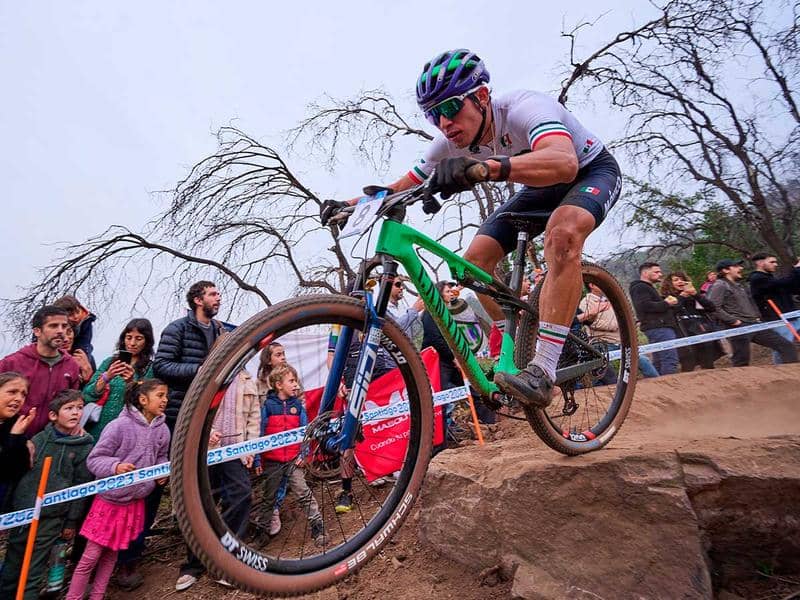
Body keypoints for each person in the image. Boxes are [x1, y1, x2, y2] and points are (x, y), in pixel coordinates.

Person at [321, 49, 622, 409]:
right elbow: (400, 186)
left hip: (590, 171)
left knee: (562, 235)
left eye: (449, 108)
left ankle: (543, 367)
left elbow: (564, 162)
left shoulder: (524, 107)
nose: (443, 122)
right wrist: (350, 206)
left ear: (481, 97)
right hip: (539, 187)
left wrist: (486, 168)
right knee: (471, 266)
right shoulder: (446, 143)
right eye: (433, 115)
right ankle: (513, 349)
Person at [65, 379, 170, 600]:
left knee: (112, 556)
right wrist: (115, 467)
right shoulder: (118, 426)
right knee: (90, 556)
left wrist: (161, 472)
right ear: (143, 400)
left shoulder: (163, 429)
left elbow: (161, 456)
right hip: (109, 502)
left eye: (166, 396)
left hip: (134, 503)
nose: (165, 400)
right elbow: (95, 460)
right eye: (160, 395)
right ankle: (72, 597)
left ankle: (97, 596)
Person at [0, 390, 94, 600]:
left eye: (79, 408)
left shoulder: (85, 446)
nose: (75, 413)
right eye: (69, 408)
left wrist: (71, 521)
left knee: (33, 571)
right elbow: (18, 474)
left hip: (51, 517)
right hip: (22, 513)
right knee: (11, 567)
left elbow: (81, 486)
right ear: (53, 415)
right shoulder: (39, 439)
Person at [260, 364, 327, 546]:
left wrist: (303, 454)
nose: (296, 384)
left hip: (292, 459)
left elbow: (305, 432)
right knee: (269, 496)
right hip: (272, 461)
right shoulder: (267, 406)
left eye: (296, 380)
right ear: (278, 384)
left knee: (303, 491)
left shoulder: (298, 406)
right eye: (291, 381)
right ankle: (263, 532)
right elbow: (260, 433)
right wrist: (259, 458)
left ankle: (317, 526)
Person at [153, 281, 223, 431]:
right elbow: (160, 365)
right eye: (212, 294)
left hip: (203, 409)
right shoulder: (177, 329)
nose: (218, 298)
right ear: (198, 300)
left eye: (218, 294)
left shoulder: (219, 331)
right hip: (176, 411)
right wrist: (197, 370)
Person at [0, 306, 81, 436]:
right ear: (37, 331)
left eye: (64, 326)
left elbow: (73, 402)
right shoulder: (12, 362)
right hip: (11, 437)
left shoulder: (72, 366)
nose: (60, 331)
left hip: (50, 440)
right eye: (53, 326)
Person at [706, 259, 797, 366]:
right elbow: (712, 307)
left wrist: (757, 316)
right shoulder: (719, 285)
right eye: (736, 266)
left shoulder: (740, 285)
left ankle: (790, 377)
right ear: (726, 270)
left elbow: (751, 303)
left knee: (786, 346)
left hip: (755, 324)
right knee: (741, 361)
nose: (741, 268)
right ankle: (739, 382)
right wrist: (733, 321)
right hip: (737, 327)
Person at [83, 319, 155, 439]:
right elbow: (87, 394)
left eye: (139, 338)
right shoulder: (109, 362)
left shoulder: (149, 368)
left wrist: (131, 383)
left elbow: (146, 403)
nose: (132, 343)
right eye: (128, 337)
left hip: (126, 429)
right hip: (97, 426)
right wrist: (106, 377)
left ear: (147, 341)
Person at [577, 283, 659, 380]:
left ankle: (659, 384)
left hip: (620, 342)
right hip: (603, 343)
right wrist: (614, 325)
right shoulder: (586, 302)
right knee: (604, 373)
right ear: (592, 285)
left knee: (644, 362)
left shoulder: (611, 300)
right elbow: (588, 322)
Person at [660, 272, 720, 371]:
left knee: (708, 362)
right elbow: (671, 312)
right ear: (669, 284)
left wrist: (696, 295)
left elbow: (711, 308)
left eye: (682, 279)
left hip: (701, 330)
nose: (680, 282)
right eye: (676, 280)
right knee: (688, 363)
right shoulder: (667, 298)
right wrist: (682, 297)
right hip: (683, 332)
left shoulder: (693, 296)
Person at [748, 252, 800, 364]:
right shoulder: (757, 278)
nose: (775, 264)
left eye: (775, 262)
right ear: (760, 263)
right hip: (776, 318)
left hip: (790, 314)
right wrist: (796, 269)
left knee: (786, 344)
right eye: (772, 262)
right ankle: (782, 370)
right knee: (784, 345)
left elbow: (791, 287)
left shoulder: (770, 278)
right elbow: (784, 283)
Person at [629, 262, 680, 375]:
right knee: (669, 360)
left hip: (658, 327)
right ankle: (669, 386)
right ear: (645, 273)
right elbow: (644, 306)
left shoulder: (646, 287)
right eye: (656, 272)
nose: (660, 274)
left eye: (660, 272)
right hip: (658, 327)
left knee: (660, 360)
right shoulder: (640, 287)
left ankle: (660, 386)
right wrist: (666, 303)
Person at [0, 373, 35, 509]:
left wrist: (16, 437)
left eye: (23, 395)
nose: (19, 399)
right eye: (12, 392)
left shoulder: (17, 425)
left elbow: (17, 470)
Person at [52, 295, 97, 370]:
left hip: (78, 348)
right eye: (71, 315)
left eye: (77, 312)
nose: (76, 316)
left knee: (85, 354)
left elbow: (84, 344)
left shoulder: (86, 321)